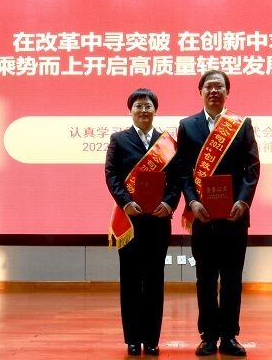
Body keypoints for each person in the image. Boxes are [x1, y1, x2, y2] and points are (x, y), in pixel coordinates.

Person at [176, 70, 260, 357]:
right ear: (200, 92)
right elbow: (182, 170)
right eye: (209, 87)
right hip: (203, 216)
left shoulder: (241, 125)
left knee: (233, 278)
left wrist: (243, 201)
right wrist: (192, 202)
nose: (214, 91)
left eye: (219, 87)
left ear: (227, 92)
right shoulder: (187, 126)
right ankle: (208, 336)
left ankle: (230, 336)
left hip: (235, 216)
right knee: (206, 278)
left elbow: (252, 169)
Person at [105, 88, 180, 357]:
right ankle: (133, 339)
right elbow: (111, 175)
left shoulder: (167, 143)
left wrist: (169, 203)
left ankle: (151, 340)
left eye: (148, 105)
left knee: (154, 280)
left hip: (158, 221)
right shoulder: (119, 140)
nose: (143, 110)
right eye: (138, 106)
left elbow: (176, 179)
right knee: (130, 281)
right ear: (130, 111)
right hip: (130, 220)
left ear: (155, 110)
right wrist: (126, 202)